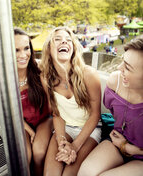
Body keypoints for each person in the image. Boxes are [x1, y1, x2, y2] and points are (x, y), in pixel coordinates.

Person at [0, 27, 52, 176]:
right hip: (20, 123)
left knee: (39, 152)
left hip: (44, 119)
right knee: (23, 157)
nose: (23, 55)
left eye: (26, 48)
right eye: (16, 50)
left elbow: (51, 106)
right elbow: (10, 114)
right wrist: (29, 132)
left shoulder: (40, 69)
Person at [39, 26, 101, 176]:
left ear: (73, 48)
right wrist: (62, 142)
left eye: (68, 40)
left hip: (89, 131)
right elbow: (56, 113)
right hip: (64, 128)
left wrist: (74, 146)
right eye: (58, 40)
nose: (64, 43)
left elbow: (95, 115)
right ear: (49, 48)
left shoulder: (89, 74)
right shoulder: (45, 77)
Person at [78, 35, 143, 176]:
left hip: (140, 155)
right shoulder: (115, 82)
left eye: (128, 67)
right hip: (116, 141)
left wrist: (130, 148)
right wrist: (121, 144)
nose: (119, 68)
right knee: (85, 173)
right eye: (122, 61)